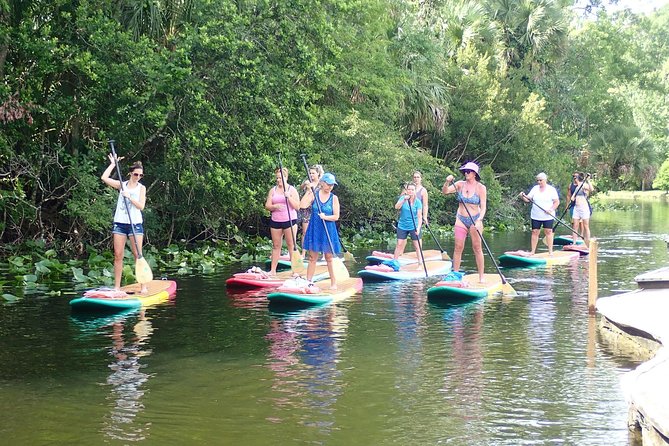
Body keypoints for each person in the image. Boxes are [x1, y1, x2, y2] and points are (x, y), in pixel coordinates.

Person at [101, 153, 148, 293]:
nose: (138, 177)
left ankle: (143, 286)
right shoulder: (122, 185)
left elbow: (141, 206)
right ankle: (117, 287)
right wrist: (112, 164)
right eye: (136, 174)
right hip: (120, 224)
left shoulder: (141, 188)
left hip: (135, 224)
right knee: (118, 254)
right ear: (130, 173)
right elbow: (104, 178)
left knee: (137, 254)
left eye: (140, 175)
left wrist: (129, 197)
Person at [442, 162, 487, 283]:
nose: (466, 173)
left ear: (474, 174)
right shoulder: (459, 184)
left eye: (468, 171)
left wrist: (479, 220)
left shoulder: (481, 188)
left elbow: (483, 207)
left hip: (475, 219)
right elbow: (445, 191)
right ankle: (455, 274)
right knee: (458, 247)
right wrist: (447, 181)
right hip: (460, 218)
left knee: (477, 248)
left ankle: (481, 276)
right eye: (465, 171)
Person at [300, 173, 341, 289]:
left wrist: (325, 217)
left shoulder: (334, 198)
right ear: (322, 183)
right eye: (328, 184)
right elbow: (302, 206)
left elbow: (336, 216)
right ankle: (308, 281)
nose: (330, 187)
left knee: (328, 257)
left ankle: (333, 283)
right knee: (312, 257)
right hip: (315, 228)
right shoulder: (315, 194)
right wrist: (309, 190)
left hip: (328, 229)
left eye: (332, 185)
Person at [265, 167, 300, 276]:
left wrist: (288, 197)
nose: (278, 180)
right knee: (276, 246)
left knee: (291, 245)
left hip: (289, 220)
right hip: (276, 221)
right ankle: (273, 270)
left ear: (286, 177)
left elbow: (297, 206)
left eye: (280, 178)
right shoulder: (273, 190)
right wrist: (274, 206)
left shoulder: (292, 189)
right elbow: (267, 206)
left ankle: (296, 271)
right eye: (277, 178)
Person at [519, 172, 560, 255]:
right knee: (535, 232)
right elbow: (528, 199)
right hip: (536, 215)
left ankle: (550, 252)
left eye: (540, 180)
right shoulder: (535, 188)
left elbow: (556, 202)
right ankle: (533, 251)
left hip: (548, 215)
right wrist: (522, 196)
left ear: (545, 180)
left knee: (548, 231)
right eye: (537, 180)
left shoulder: (551, 189)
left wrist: (551, 209)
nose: (539, 182)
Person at [392, 182, 423, 267]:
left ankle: (420, 263)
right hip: (402, 225)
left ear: (415, 191)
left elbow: (420, 217)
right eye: (409, 189)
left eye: (412, 190)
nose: (410, 191)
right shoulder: (403, 198)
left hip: (414, 226)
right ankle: (394, 261)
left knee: (417, 246)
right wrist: (403, 200)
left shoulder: (418, 202)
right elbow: (396, 207)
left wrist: (418, 228)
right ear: (407, 190)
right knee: (399, 244)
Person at [299, 164, 324, 246]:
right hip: (306, 210)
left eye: (313, 173)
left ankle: (319, 251)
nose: (311, 175)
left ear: (318, 174)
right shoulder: (307, 182)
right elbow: (301, 188)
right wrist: (305, 185)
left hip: (317, 209)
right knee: (305, 232)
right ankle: (303, 253)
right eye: (310, 173)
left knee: (318, 231)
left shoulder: (321, 184)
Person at [569, 172, 594, 246]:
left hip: (584, 208)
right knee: (575, 226)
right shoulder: (577, 187)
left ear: (578, 179)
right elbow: (572, 198)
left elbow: (591, 189)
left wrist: (588, 180)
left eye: (575, 178)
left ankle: (588, 243)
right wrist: (572, 198)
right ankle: (574, 243)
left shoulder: (584, 185)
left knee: (586, 226)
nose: (575, 179)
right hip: (577, 209)